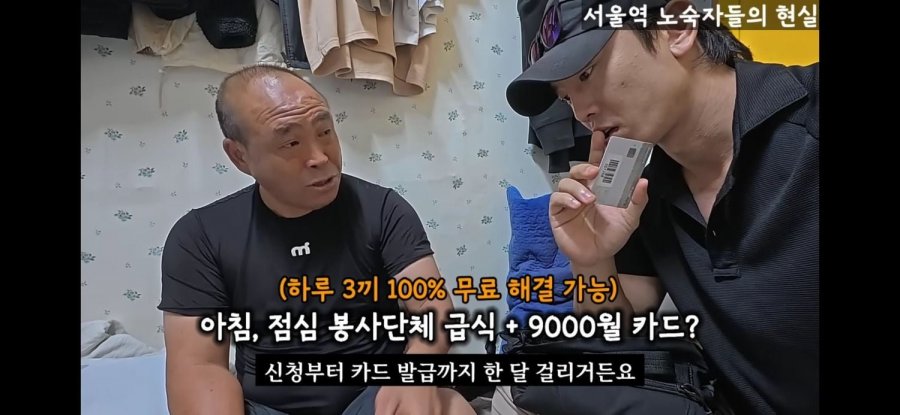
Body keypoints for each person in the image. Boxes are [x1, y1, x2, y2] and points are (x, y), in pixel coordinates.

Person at [500, 0, 819, 414]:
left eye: (587, 73)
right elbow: (611, 342)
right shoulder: (644, 194)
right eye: (565, 98)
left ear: (677, 28)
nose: (581, 113)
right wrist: (592, 260)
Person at [158, 64, 476, 415]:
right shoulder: (200, 237)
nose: (320, 157)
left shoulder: (383, 209)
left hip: (374, 397)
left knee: (452, 408)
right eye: (291, 143)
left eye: (325, 132)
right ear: (240, 156)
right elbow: (200, 366)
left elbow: (432, 309)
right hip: (267, 406)